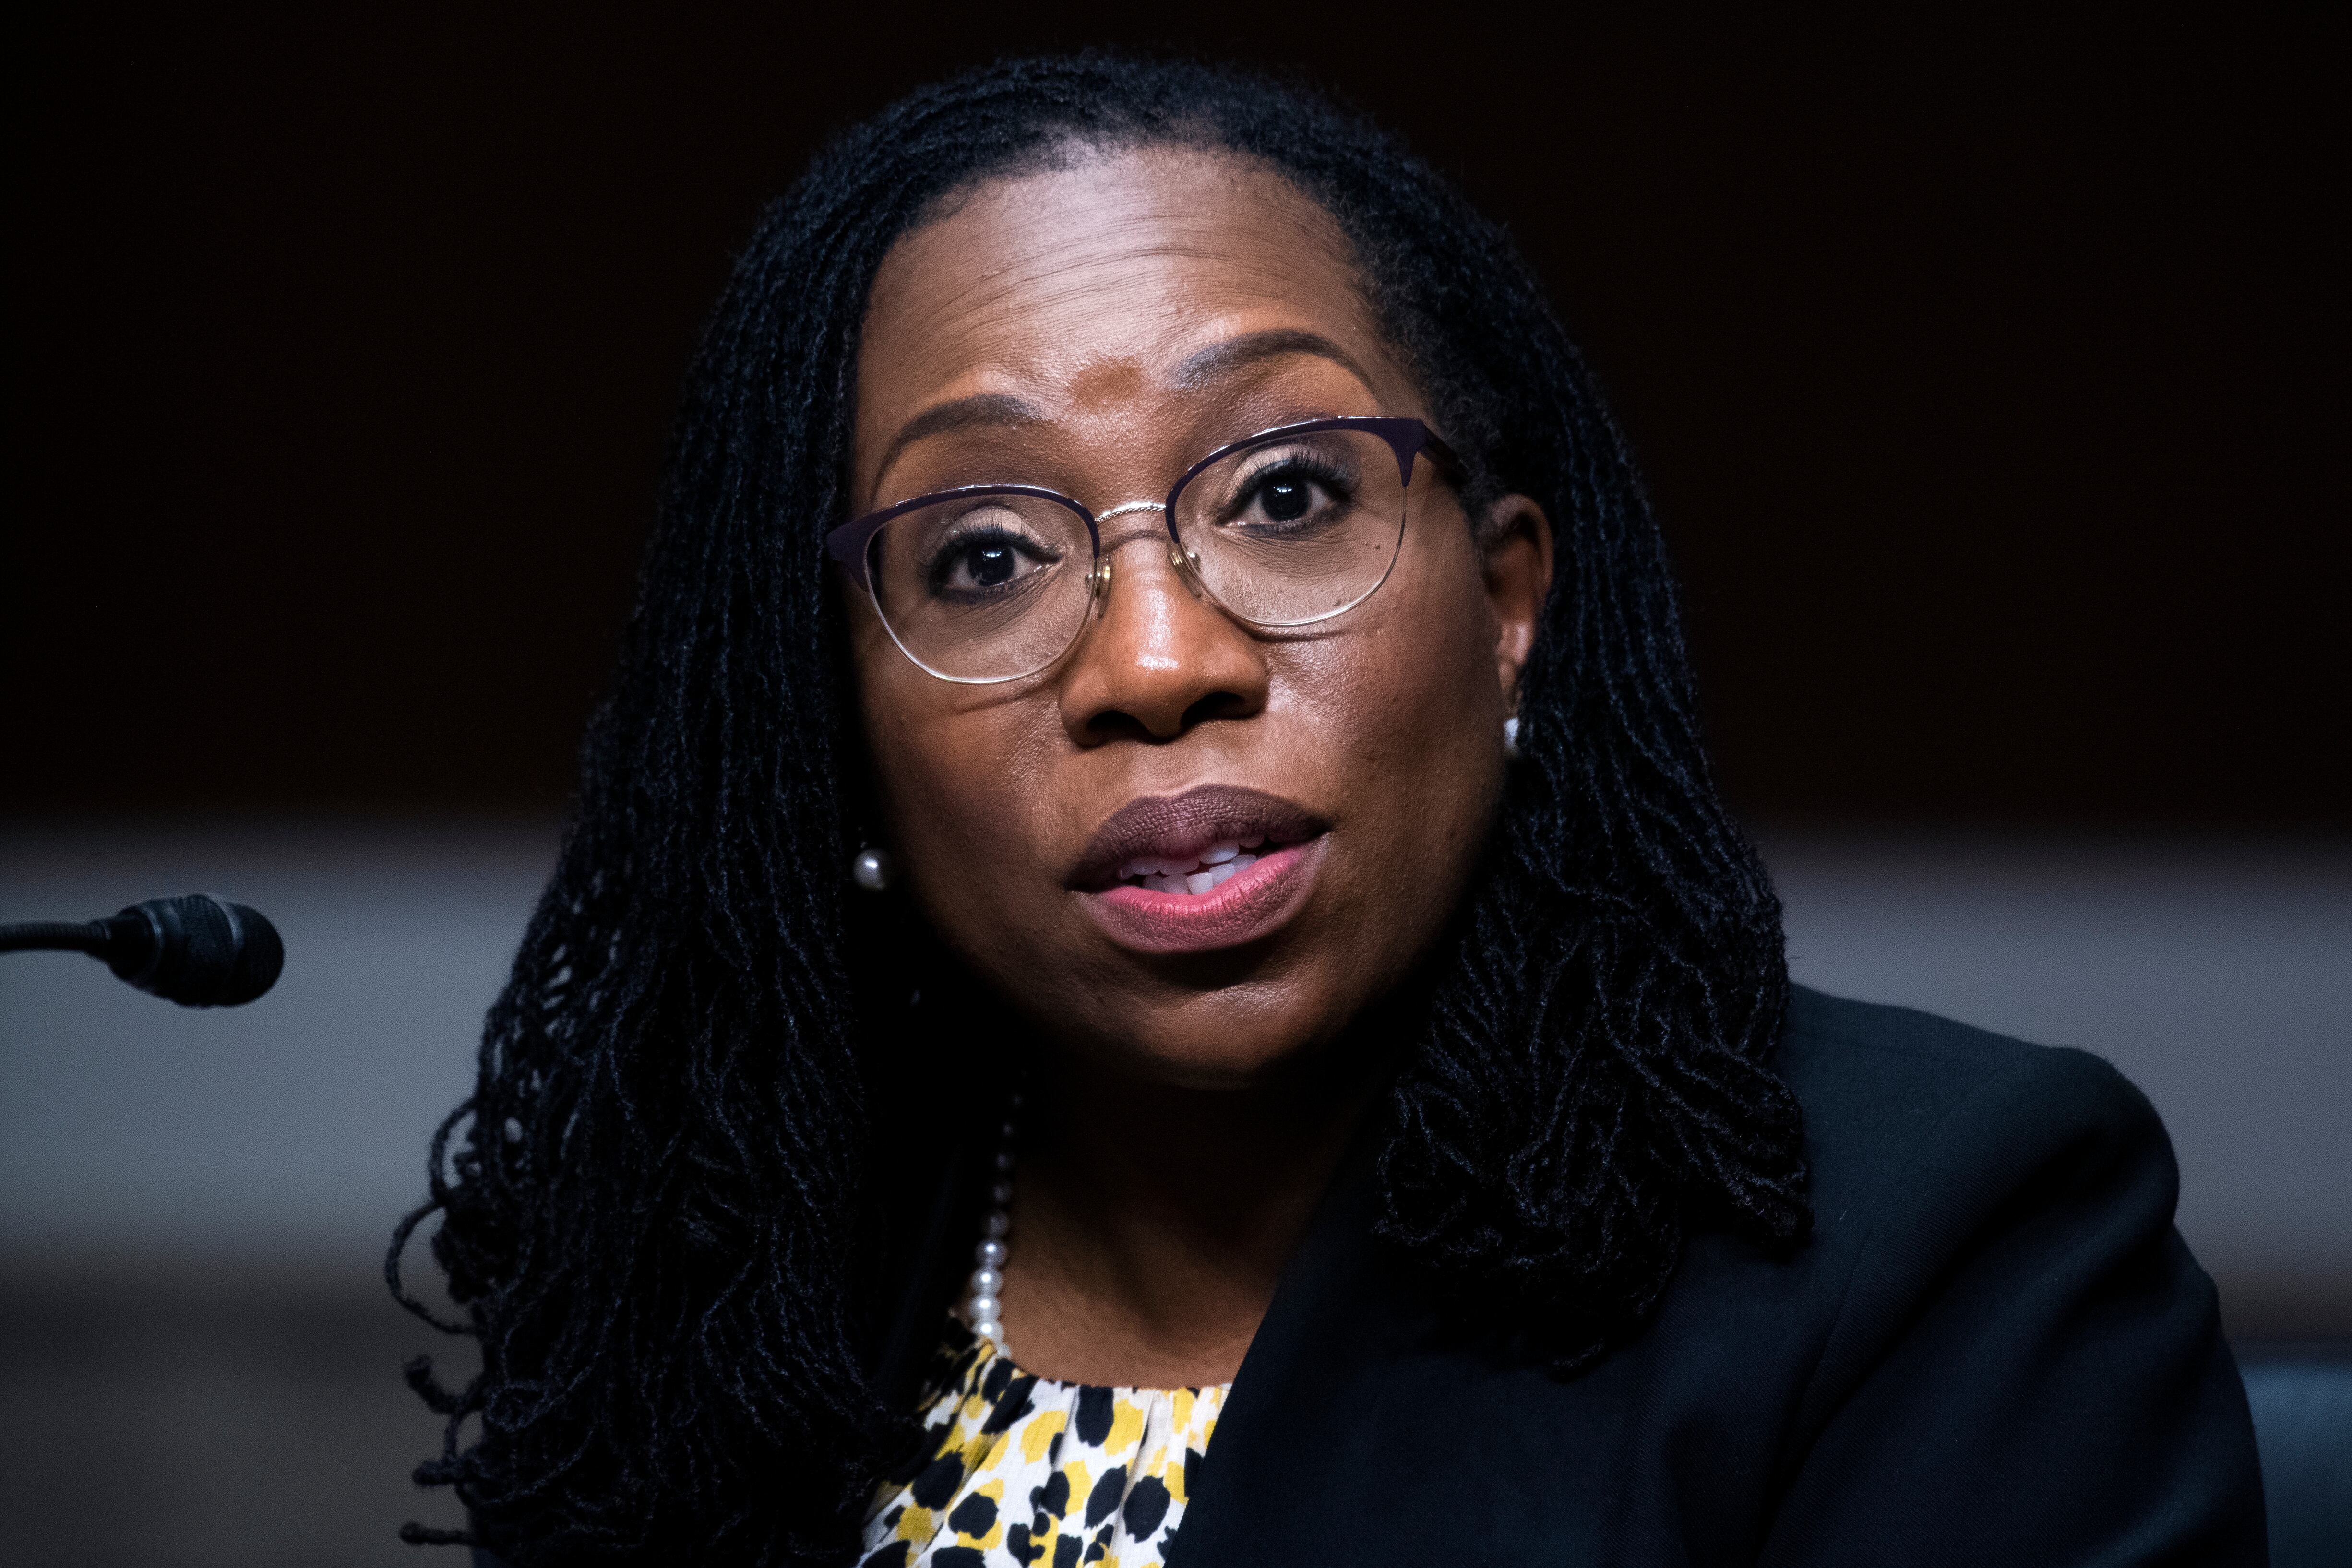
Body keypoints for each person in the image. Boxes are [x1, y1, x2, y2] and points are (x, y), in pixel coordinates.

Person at [392, 54, 2265, 1567]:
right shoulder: (729, 1288)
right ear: (835, 720)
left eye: (1283, 496)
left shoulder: (1942, 1243)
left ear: (1507, 599)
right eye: (981, 552)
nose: (1150, 658)